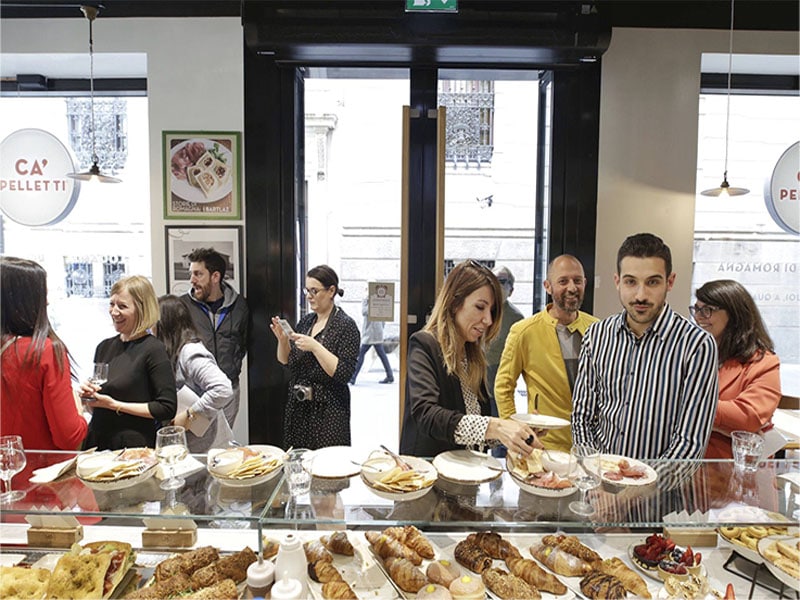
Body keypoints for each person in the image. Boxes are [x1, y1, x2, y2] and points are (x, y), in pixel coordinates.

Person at [571, 233, 719, 460]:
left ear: (670, 282)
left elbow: (690, 443)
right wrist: (596, 472)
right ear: (617, 281)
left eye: (652, 282)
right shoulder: (597, 335)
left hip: (661, 491)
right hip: (600, 485)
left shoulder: (697, 346)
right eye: (631, 281)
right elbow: (582, 416)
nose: (641, 295)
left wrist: (636, 487)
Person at [399, 259, 541, 458]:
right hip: (428, 472)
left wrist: (514, 433)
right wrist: (497, 426)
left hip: (467, 474)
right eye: (480, 307)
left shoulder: (472, 354)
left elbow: (475, 425)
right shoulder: (424, 344)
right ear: (455, 303)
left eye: (491, 311)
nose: (488, 320)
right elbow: (427, 415)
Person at [495, 255, 598, 453]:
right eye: (563, 281)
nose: (572, 287)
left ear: (584, 283)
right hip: (545, 447)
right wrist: (517, 432)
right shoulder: (524, 331)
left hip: (592, 448)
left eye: (577, 281)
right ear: (548, 286)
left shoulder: (598, 329)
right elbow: (503, 386)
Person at [79, 275, 177, 450]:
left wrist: (114, 405)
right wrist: (89, 396)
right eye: (112, 304)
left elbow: (167, 407)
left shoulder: (153, 349)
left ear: (141, 309)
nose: (114, 312)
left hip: (132, 447)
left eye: (122, 306)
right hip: (97, 441)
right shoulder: (104, 347)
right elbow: (97, 405)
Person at [0, 256, 87, 450]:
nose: (47, 301)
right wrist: (79, 411)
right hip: (34, 473)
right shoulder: (43, 352)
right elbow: (69, 436)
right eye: (42, 294)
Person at [270, 265, 359, 450]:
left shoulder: (346, 326)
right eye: (307, 290)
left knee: (327, 464)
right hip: (298, 406)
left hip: (329, 408)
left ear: (331, 291)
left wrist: (316, 347)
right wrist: (282, 341)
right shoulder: (307, 321)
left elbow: (343, 373)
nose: (309, 296)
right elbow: (286, 361)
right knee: (298, 460)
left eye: (314, 291)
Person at [692, 280, 781, 459]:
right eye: (696, 309)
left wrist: (691, 409)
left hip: (736, 471)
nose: (698, 317)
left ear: (734, 314)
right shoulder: (692, 353)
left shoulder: (764, 362)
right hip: (689, 469)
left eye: (707, 309)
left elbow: (748, 418)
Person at [156, 295, 235, 453]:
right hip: (194, 449)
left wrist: (190, 414)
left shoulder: (190, 352)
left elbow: (223, 389)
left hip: (209, 452)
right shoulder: (172, 353)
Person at [180, 247, 249, 428]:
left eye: (198, 274)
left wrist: (232, 367)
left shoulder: (240, 305)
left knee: (223, 444)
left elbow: (243, 343)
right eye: (191, 274)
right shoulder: (182, 306)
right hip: (195, 393)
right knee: (196, 445)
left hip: (229, 391)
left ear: (215, 276)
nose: (192, 280)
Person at [484, 266, 524, 457]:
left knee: (500, 437)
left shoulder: (516, 319)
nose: (496, 286)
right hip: (475, 381)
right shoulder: (481, 308)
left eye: (501, 281)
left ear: (511, 289)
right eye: (492, 280)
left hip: (499, 383)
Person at [350, 291, 394, 385]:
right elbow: (364, 312)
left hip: (373, 332)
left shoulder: (374, 300)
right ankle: (390, 376)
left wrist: (373, 303)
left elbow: (366, 311)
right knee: (381, 354)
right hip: (371, 332)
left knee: (361, 354)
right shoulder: (369, 300)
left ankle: (353, 378)